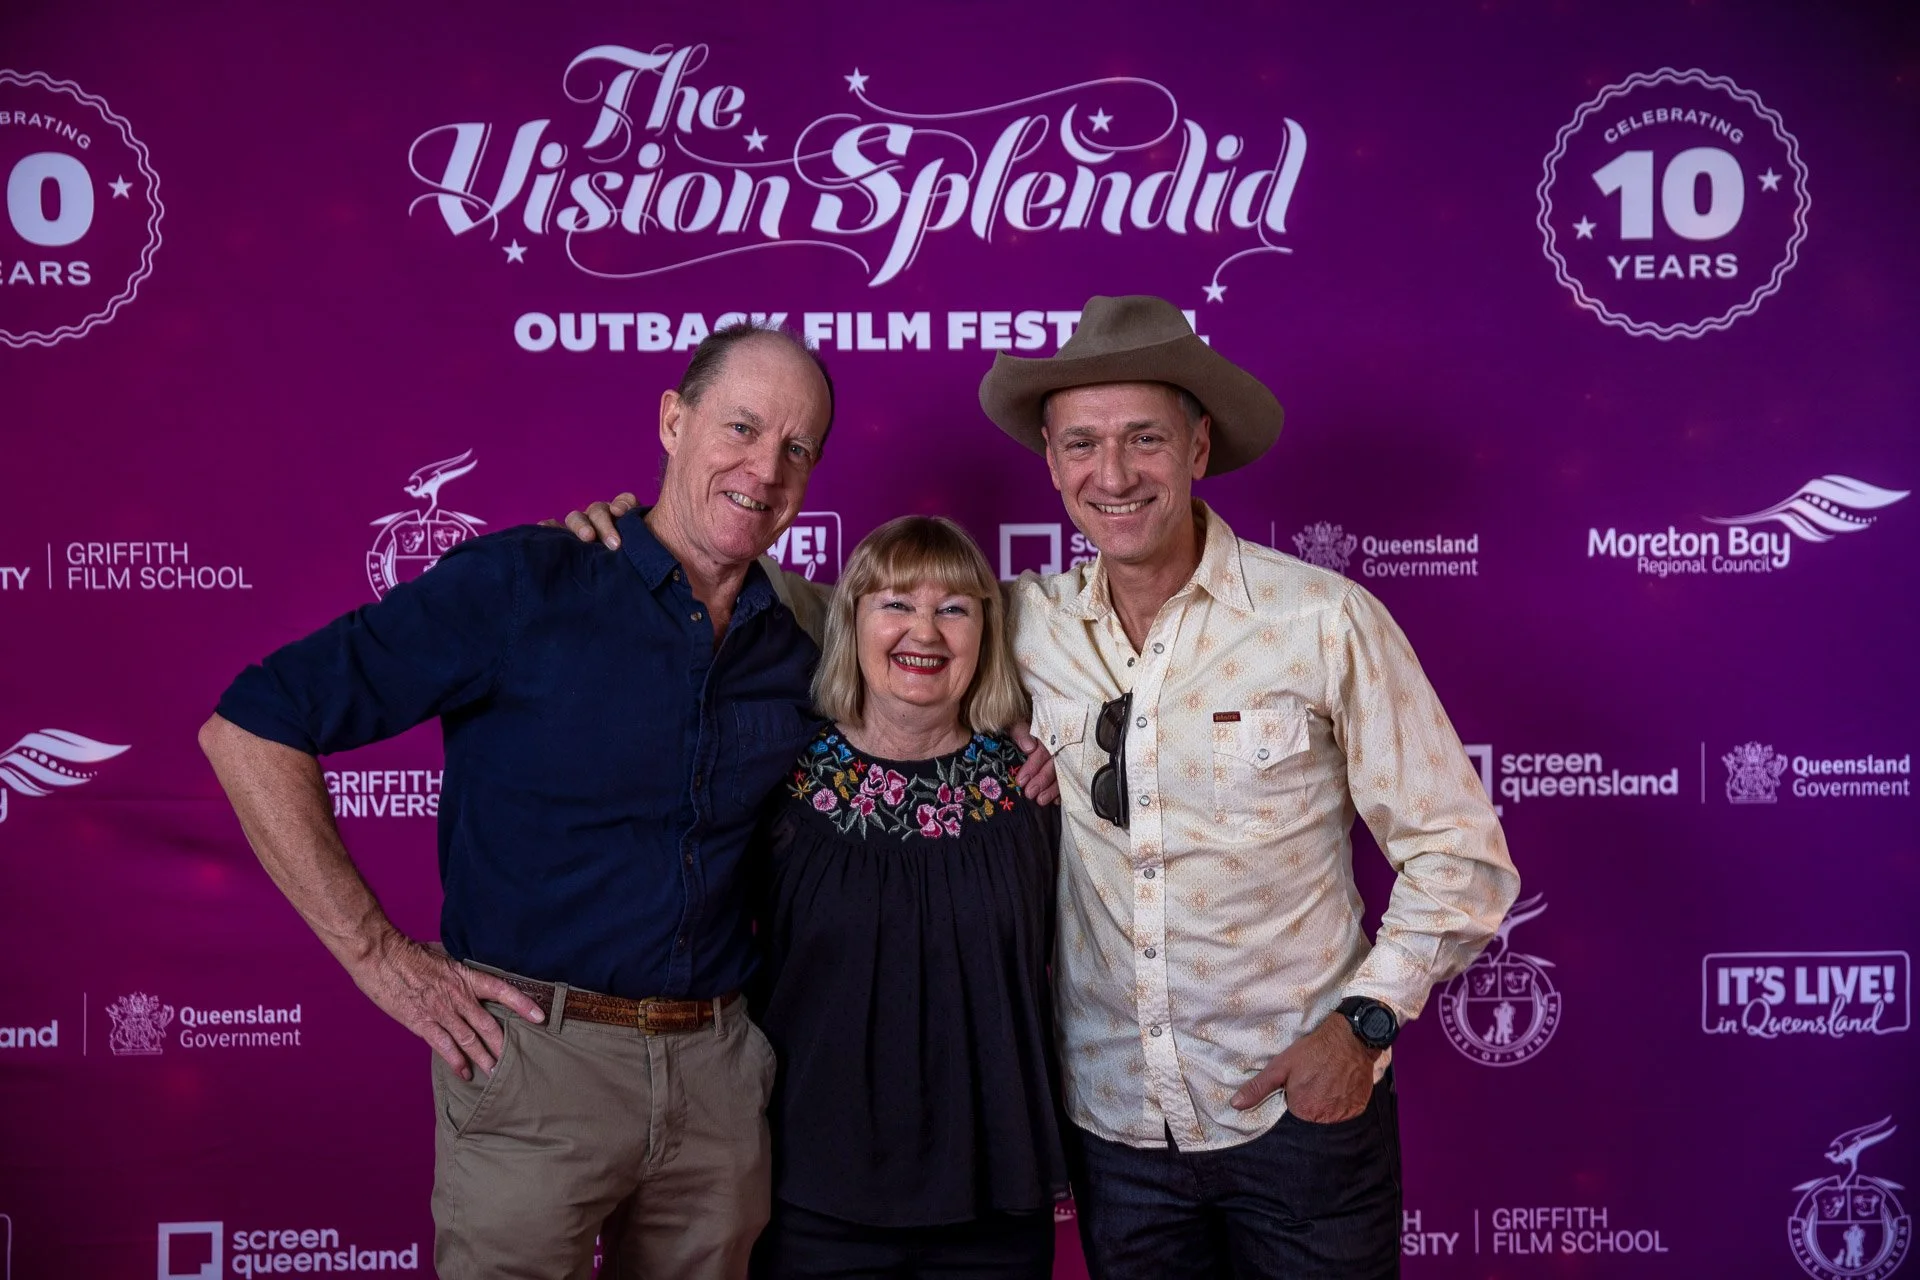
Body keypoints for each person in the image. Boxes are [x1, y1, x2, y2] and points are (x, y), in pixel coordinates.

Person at [565, 295, 1519, 1279]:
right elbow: (867, 607)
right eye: (1081, 445)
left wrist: (1362, 1025)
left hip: (1301, 1120)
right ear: (1053, 462)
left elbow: (1461, 858)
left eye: (1144, 439)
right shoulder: (1017, 620)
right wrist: (651, 543)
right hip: (1116, 1132)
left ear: (1197, 449)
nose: (1112, 474)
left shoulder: (1324, 621)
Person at [203, 325, 839, 1280]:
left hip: (718, 1076)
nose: (764, 467)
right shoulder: (526, 581)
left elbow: (954, 654)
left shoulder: (805, 637)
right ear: (674, 420)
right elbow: (248, 728)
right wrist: (378, 955)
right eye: (741, 428)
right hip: (535, 1064)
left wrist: (1037, 751)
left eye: (796, 448)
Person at [749, 515, 1068, 1278]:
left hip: (994, 1197)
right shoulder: (779, 778)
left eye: (955, 607)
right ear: (848, 618)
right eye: (895, 602)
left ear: (985, 631)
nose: (924, 630)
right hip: (810, 1196)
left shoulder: (1038, 786)